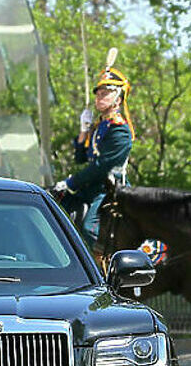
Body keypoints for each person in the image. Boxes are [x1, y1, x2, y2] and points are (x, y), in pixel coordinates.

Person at [53, 66, 132, 247]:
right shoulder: (100, 126)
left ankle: (107, 267)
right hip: (92, 187)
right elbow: (80, 158)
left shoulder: (120, 130)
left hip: (110, 188)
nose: (99, 97)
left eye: (106, 94)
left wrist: (71, 182)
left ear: (118, 100)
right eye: (98, 94)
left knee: (90, 228)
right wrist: (83, 130)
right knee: (59, 211)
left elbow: (101, 167)